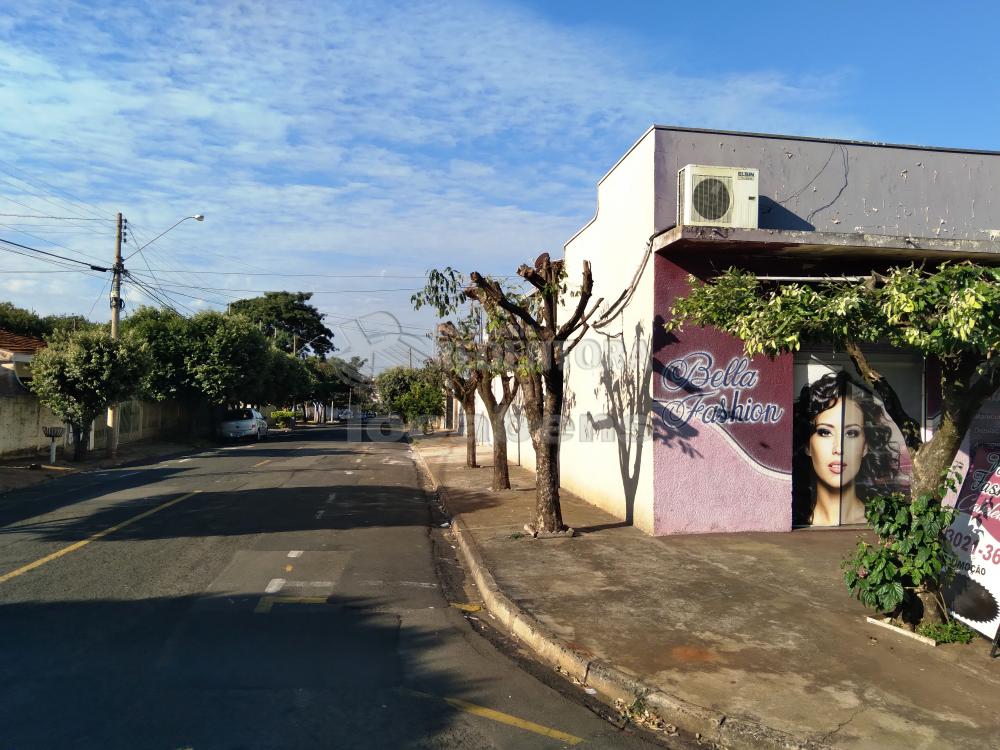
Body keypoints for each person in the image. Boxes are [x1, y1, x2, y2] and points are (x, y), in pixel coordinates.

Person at [792, 371, 900, 526]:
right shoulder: (794, 521)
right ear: (808, 446)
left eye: (851, 433)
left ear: (865, 446)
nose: (839, 448)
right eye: (825, 432)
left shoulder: (885, 522)